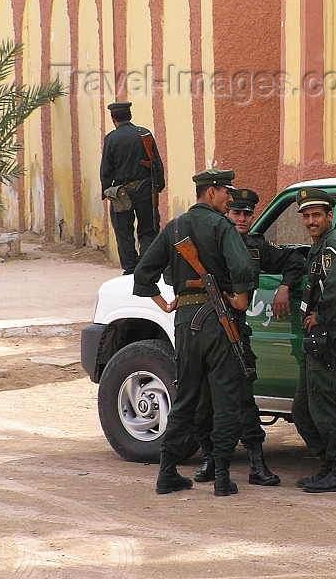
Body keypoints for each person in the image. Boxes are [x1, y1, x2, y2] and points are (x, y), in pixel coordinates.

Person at [133, 169, 254, 497]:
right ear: (211, 191)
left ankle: (167, 472)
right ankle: (223, 477)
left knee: (185, 395)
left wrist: (166, 305)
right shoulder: (220, 225)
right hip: (219, 320)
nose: (231, 199)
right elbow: (243, 266)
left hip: (186, 321)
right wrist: (241, 298)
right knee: (226, 395)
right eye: (227, 192)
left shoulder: (173, 227)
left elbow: (144, 272)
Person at [193, 188, 304, 487]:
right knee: (203, 399)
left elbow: (293, 261)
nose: (241, 218)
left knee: (244, 400)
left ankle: (256, 463)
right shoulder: (209, 241)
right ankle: (209, 459)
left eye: (247, 213)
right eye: (236, 212)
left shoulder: (255, 246)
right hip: (204, 329)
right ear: (225, 213)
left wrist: (285, 287)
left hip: (236, 332)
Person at [292, 187, 336, 493]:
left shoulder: (332, 244)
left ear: (330, 216)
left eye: (317, 215)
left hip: (328, 337)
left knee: (325, 407)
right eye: (306, 216)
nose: (311, 221)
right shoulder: (319, 246)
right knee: (303, 409)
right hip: (316, 339)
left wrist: (321, 315)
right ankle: (327, 465)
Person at [101, 101, 165, 274]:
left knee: (124, 233)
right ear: (130, 115)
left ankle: (130, 269)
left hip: (121, 194)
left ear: (113, 118)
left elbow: (106, 169)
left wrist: (106, 191)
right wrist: (158, 186)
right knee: (148, 230)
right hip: (146, 191)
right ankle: (146, 267)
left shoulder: (111, 138)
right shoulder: (145, 134)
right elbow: (157, 164)